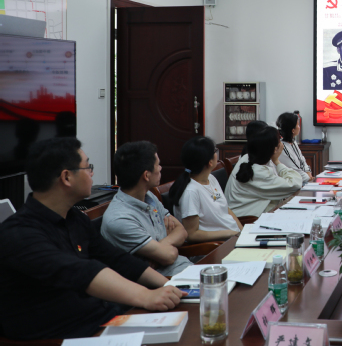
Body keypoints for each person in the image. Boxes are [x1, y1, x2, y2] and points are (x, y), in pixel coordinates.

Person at [0, 138, 183, 340]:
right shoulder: (18, 233)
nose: (92, 173)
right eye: (88, 167)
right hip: (62, 336)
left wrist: (169, 287)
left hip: (102, 319)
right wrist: (146, 296)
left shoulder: (75, 218)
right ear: (67, 177)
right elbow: (79, 271)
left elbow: (117, 259)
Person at [102, 141, 192, 277]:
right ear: (146, 175)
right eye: (158, 165)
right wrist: (167, 247)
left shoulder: (148, 196)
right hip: (163, 281)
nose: (160, 168)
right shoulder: (119, 219)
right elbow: (169, 256)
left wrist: (162, 245)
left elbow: (182, 231)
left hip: (184, 268)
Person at [170, 136, 242, 243]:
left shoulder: (211, 178)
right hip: (218, 245)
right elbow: (191, 234)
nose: (216, 153)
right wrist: (229, 233)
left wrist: (242, 231)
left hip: (233, 238)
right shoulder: (190, 192)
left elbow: (226, 209)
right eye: (215, 151)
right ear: (210, 162)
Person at [225, 127, 303, 216]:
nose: (282, 144)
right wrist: (277, 161)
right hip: (246, 219)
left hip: (250, 212)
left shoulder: (249, 158)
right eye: (279, 140)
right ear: (275, 149)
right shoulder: (259, 172)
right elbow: (295, 184)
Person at [276, 111, 312, 184]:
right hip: (293, 182)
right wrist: (308, 177)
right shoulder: (282, 147)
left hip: (303, 179)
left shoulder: (293, 142)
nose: (299, 127)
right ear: (293, 130)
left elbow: (302, 160)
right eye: (298, 125)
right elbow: (295, 170)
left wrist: (308, 172)